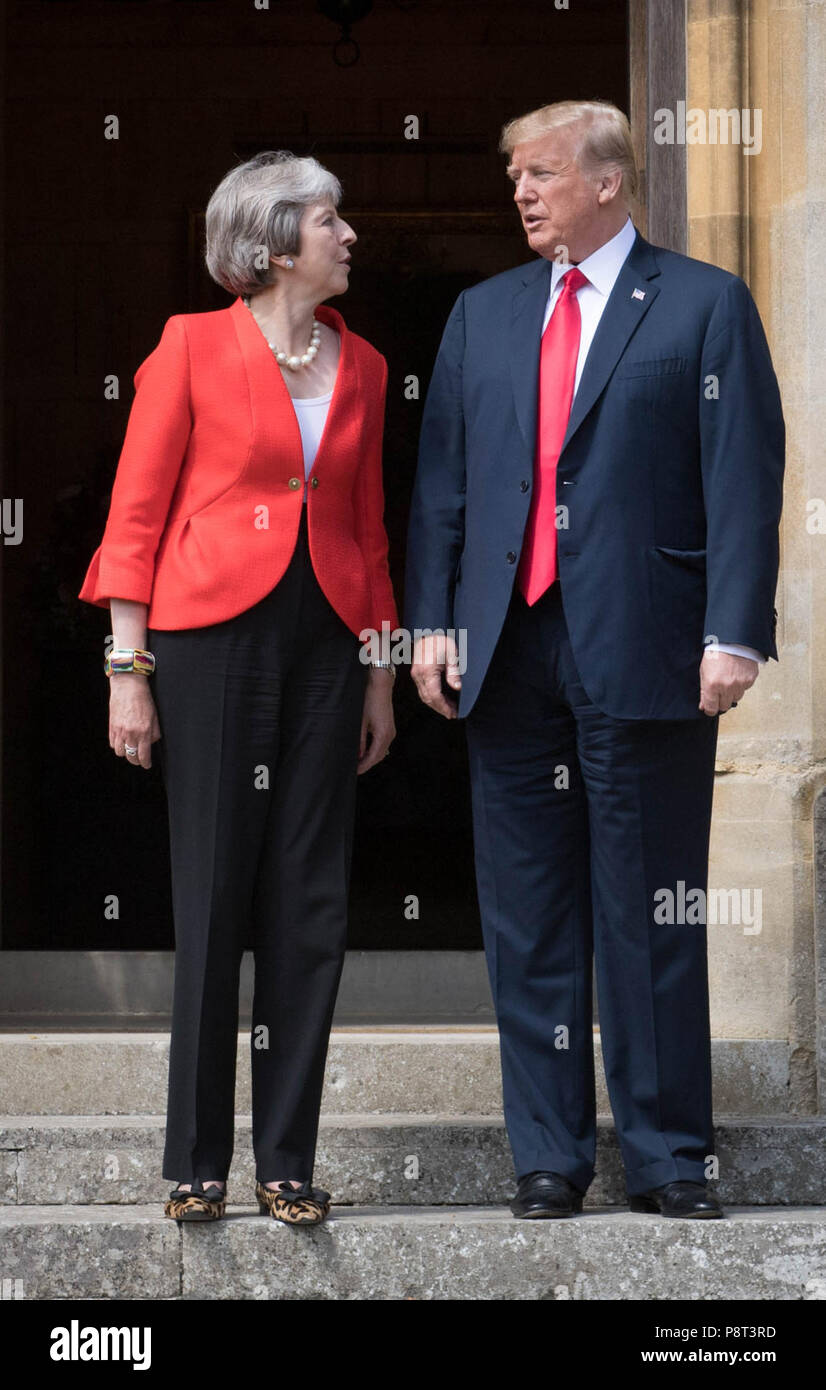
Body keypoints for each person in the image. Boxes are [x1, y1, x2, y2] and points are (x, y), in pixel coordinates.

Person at [405, 100, 784, 1221]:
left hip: (651, 645)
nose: (521, 191)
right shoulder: (482, 314)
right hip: (507, 651)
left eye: (542, 173)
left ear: (610, 182)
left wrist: (734, 631)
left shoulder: (705, 304)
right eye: (514, 174)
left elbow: (743, 480)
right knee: (526, 913)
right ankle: (550, 1156)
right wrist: (430, 620)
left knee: (650, 909)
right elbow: (443, 486)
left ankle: (669, 1155)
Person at [78, 151, 398, 1226]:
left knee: (309, 903)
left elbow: (368, 531)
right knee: (214, 894)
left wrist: (381, 677)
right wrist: (130, 671)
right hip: (209, 639)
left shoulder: (362, 364)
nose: (348, 235)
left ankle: (288, 1163)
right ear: (270, 242)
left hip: (327, 647)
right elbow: (137, 513)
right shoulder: (190, 345)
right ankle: (196, 1162)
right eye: (329, 219)